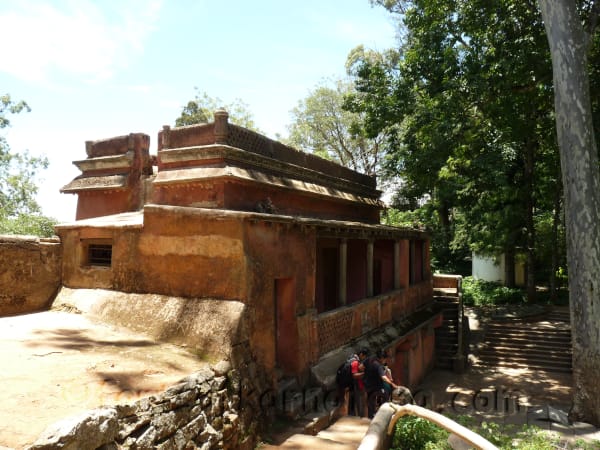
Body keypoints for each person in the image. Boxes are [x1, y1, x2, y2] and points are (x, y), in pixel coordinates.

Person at [363, 349, 398, 418]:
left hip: (368, 387)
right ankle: (383, 415)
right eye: (385, 359)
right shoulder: (378, 366)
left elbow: (361, 367)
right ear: (382, 358)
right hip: (377, 388)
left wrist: (368, 372)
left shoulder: (369, 360)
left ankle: (371, 418)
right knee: (386, 398)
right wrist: (392, 384)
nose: (385, 361)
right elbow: (384, 378)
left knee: (370, 404)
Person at [350, 347, 369, 417]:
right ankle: (359, 418)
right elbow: (354, 375)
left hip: (359, 386)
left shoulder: (358, 361)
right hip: (356, 387)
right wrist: (365, 373)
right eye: (364, 356)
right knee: (359, 404)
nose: (364, 358)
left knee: (361, 404)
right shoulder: (355, 362)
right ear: (361, 354)